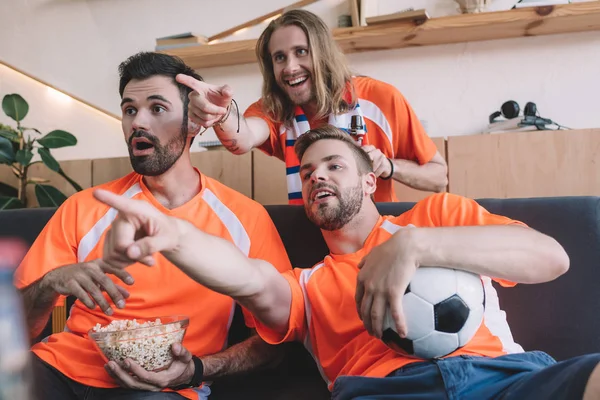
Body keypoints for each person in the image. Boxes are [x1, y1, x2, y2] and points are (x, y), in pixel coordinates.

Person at [93, 124, 600, 400]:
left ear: (368, 181)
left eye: (334, 165)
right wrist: (175, 233)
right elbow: (249, 278)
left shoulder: (440, 214)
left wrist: (415, 245)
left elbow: (549, 257)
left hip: (509, 379)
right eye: (308, 172)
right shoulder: (310, 286)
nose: (316, 176)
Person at [13, 52, 292, 400]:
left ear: (195, 122)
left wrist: (197, 369)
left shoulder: (245, 218)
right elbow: (14, 331)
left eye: (156, 108)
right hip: (57, 370)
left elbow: (277, 340)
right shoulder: (84, 207)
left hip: (162, 388)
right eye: (129, 110)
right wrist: (49, 284)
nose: (138, 123)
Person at [176, 9, 448, 205]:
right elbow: (241, 138)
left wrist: (388, 166)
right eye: (279, 58)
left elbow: (438, 177)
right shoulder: (275, 108)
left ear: (323, 53)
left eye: (301, 52)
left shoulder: (381, 98)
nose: (290, 67)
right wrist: (222, 113)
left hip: (379, 239)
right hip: (311, 237)